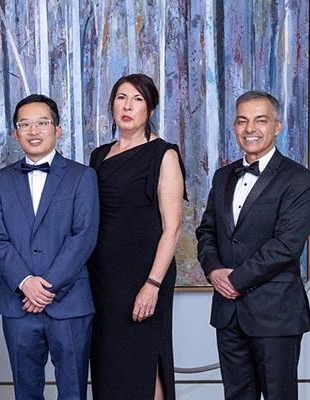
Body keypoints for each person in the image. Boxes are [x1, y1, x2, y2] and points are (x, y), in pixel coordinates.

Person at [197, 90, 310, 400]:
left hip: (275, 313)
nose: (250, 128)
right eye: (242, 121)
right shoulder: (223, 176)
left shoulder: (299, 179)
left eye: (260, 120)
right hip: (228, 313)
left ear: (277, 126)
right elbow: (206, 231)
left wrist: (234, 280)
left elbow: (286, 246)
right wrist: (213, 271)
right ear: (235, 127)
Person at [0, 94, 99, 400]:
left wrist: (45, 287)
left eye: (42, 123)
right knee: (26, 392)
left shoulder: (82, 177)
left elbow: (84, 236)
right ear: (15, 133)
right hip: (18, 305)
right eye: (25, 124)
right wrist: (25, 283)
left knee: (73, 391)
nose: (34, 131)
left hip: (70, 302)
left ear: (57, 130)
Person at [86, 73, 184, 400]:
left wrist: (152, 284)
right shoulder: (99, 156)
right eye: (121, 98)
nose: (127, 106)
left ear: (151, 108)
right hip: (102, 279)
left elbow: (173, 228)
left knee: (143, 360)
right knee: (108, 363)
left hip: (143, 276)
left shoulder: (163, 154)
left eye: (137, 99)